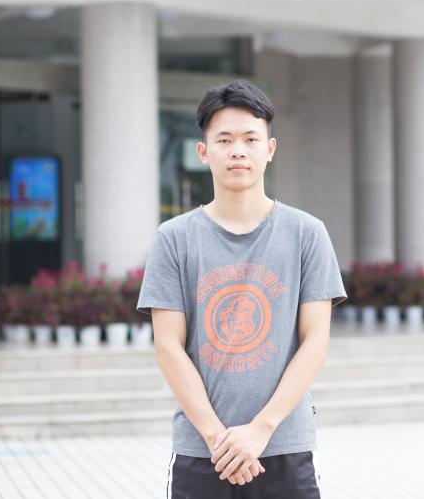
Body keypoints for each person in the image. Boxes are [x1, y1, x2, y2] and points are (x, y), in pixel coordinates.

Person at [137, 80, 347, 498]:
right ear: (203, 152)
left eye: (251, 139)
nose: (238, 151)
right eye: (225, 140)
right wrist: (220, 440)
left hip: (284, 446)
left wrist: (260, 429)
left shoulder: (306, 234)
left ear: (270, 148)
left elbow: (315, 340)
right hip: (202, 450)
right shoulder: (174, 239)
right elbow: (168, 347)